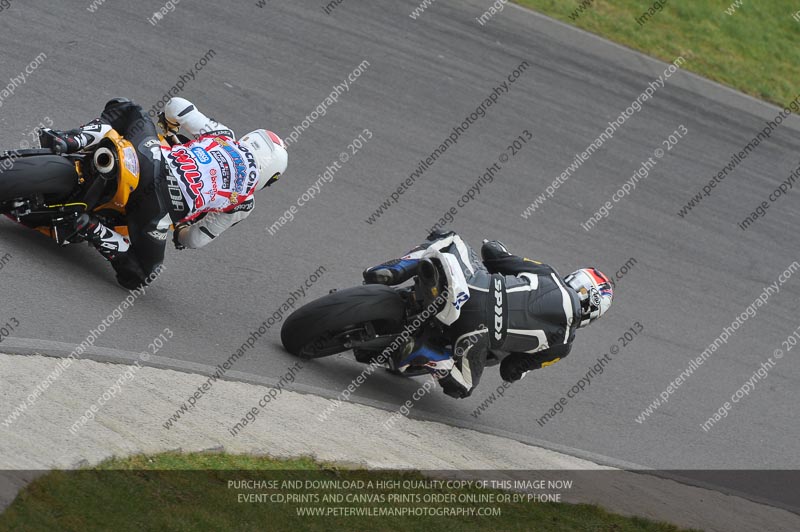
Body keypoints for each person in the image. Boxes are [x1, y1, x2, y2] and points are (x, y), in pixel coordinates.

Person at [40, 97, 288, 289]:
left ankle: (70, 140)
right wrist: (180, 233)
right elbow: (196, 240)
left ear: (248, 139)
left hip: (151, 159)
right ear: (269, 178)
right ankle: (92, 228)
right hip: (158, 208)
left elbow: (178, 105)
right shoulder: (244, 203)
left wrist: (170, 124)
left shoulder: (224, 136)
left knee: (128, 109)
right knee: (139, 273)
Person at [362, 231, 613, 398]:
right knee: (462, 387)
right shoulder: (563, 345)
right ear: (594, 315)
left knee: (449, 238)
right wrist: (520, 367)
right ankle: (425, 353)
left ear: (575, 278)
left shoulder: (548, 274)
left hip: (469, 288)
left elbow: (494, 256)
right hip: (474, 334)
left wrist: (495, 246)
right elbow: (509, 370)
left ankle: (395, 269)